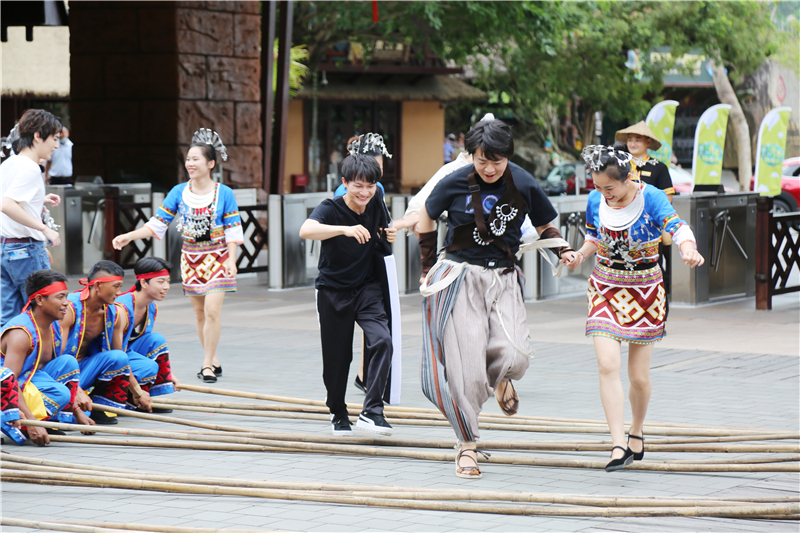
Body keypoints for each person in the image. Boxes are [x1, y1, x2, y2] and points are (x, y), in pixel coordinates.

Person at [417, 118, 575, 479]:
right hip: (461, 277)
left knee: (515, 355)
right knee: (466, 369)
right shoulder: (454, 180)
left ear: (508, 157)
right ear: (471, 155)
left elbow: (545, 224)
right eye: (482, 160)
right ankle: (467, 445)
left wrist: (562, 249)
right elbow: (425, 217)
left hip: (504, 277)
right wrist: (427, 266)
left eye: (497, 161)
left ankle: (502, 378)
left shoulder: (523, 181)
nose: (489, 168)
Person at [563, 143, 704, 472]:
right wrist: (580, 255)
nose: (604, 194)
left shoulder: (651, 197)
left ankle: (636, 430)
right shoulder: (595, 199)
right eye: (598, 187)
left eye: (609, 187)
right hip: (605, 287)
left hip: (645, 291)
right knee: (606, 365)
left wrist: (688, 248)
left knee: (638, 377)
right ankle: (617, 444)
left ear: (628, 178)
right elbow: (594, 236)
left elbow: (677, 226)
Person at [112, 128, 243, 384]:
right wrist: (130, 236)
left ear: (210, 164)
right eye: (188, 159)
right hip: (191, 259)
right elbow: (158, 223)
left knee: (212, 310)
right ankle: (213, 357)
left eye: (196, 159)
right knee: (200, 313)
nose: (190, 163)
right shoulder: (178, 191)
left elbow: (233, 228)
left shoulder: (224, 193)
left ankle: (206, 364)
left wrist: (231, 259)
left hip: (218, 258)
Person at [299, 154, 397, 437]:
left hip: (367, 288)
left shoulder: (376, 200)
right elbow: (306, 230)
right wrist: (344, 229)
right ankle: (338, 412)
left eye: (371, 186)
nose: (365, 192)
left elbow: (384, 228)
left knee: (382, 340)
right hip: (333, 291)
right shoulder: (330, 208)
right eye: (358, 186)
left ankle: (372, 410)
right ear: (344, 183)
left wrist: (389, 233)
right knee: (337, 359)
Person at [1, 269, 95, 446]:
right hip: (5, 389)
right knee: (61, 393)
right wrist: (31, 423)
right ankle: (19, 424)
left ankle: (47, 419)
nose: (66, 303)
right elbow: (8, 383)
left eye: (66, 296)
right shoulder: (21, 334)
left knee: (68, 362)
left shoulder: (54, 327)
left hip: (26, 380)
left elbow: (49, 373)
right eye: (60, 297)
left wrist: (77, 412)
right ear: (39, 300)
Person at [332, 133, 390, 393]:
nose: (366, 190)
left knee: (376, 326)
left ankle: (365, 374)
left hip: (370, 266)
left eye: (380, 167)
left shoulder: (378, 189)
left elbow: (381, 222)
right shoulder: (342, 193)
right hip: (346, 270)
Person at [59, 261, 143, 424]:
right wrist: (77, 391)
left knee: (119, 357)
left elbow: (122, 359)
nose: (119, 292)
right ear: (97, 286)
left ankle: (98, 407)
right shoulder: (69, 308)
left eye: (120, 286)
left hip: (84, 371)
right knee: (67, 361)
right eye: (116, 286)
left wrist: (138, 393)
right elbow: (55, 358)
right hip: (59, 373)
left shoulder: (114, 312)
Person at [0, 110, 63, 327]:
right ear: (38, 136)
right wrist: (44, 229)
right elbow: (7, 204)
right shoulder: (30, 169)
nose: (56, 145)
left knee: (9, 318)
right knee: (43, 315)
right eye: (54, 138)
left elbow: (7, 200)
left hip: (5, 250)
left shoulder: (9, 163)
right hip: (26, 251)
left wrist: (38, 200)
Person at [115, 257, 179, 409]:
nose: (166, 287)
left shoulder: (151, 307)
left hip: (126, 351)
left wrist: (168, 374)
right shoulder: (121, 308)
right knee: (148, 366)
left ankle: (151, 396)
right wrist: (137, 391)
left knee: (156, 339)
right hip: (109, 355)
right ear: (143, 283)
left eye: (168, 281)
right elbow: (116, 350)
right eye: (161, 282)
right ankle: (133, 397)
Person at [333, 134, 388, 199]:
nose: (364, 193)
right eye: (358, 186)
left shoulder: (379, 187)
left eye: (380, 168)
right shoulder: (343, 193)